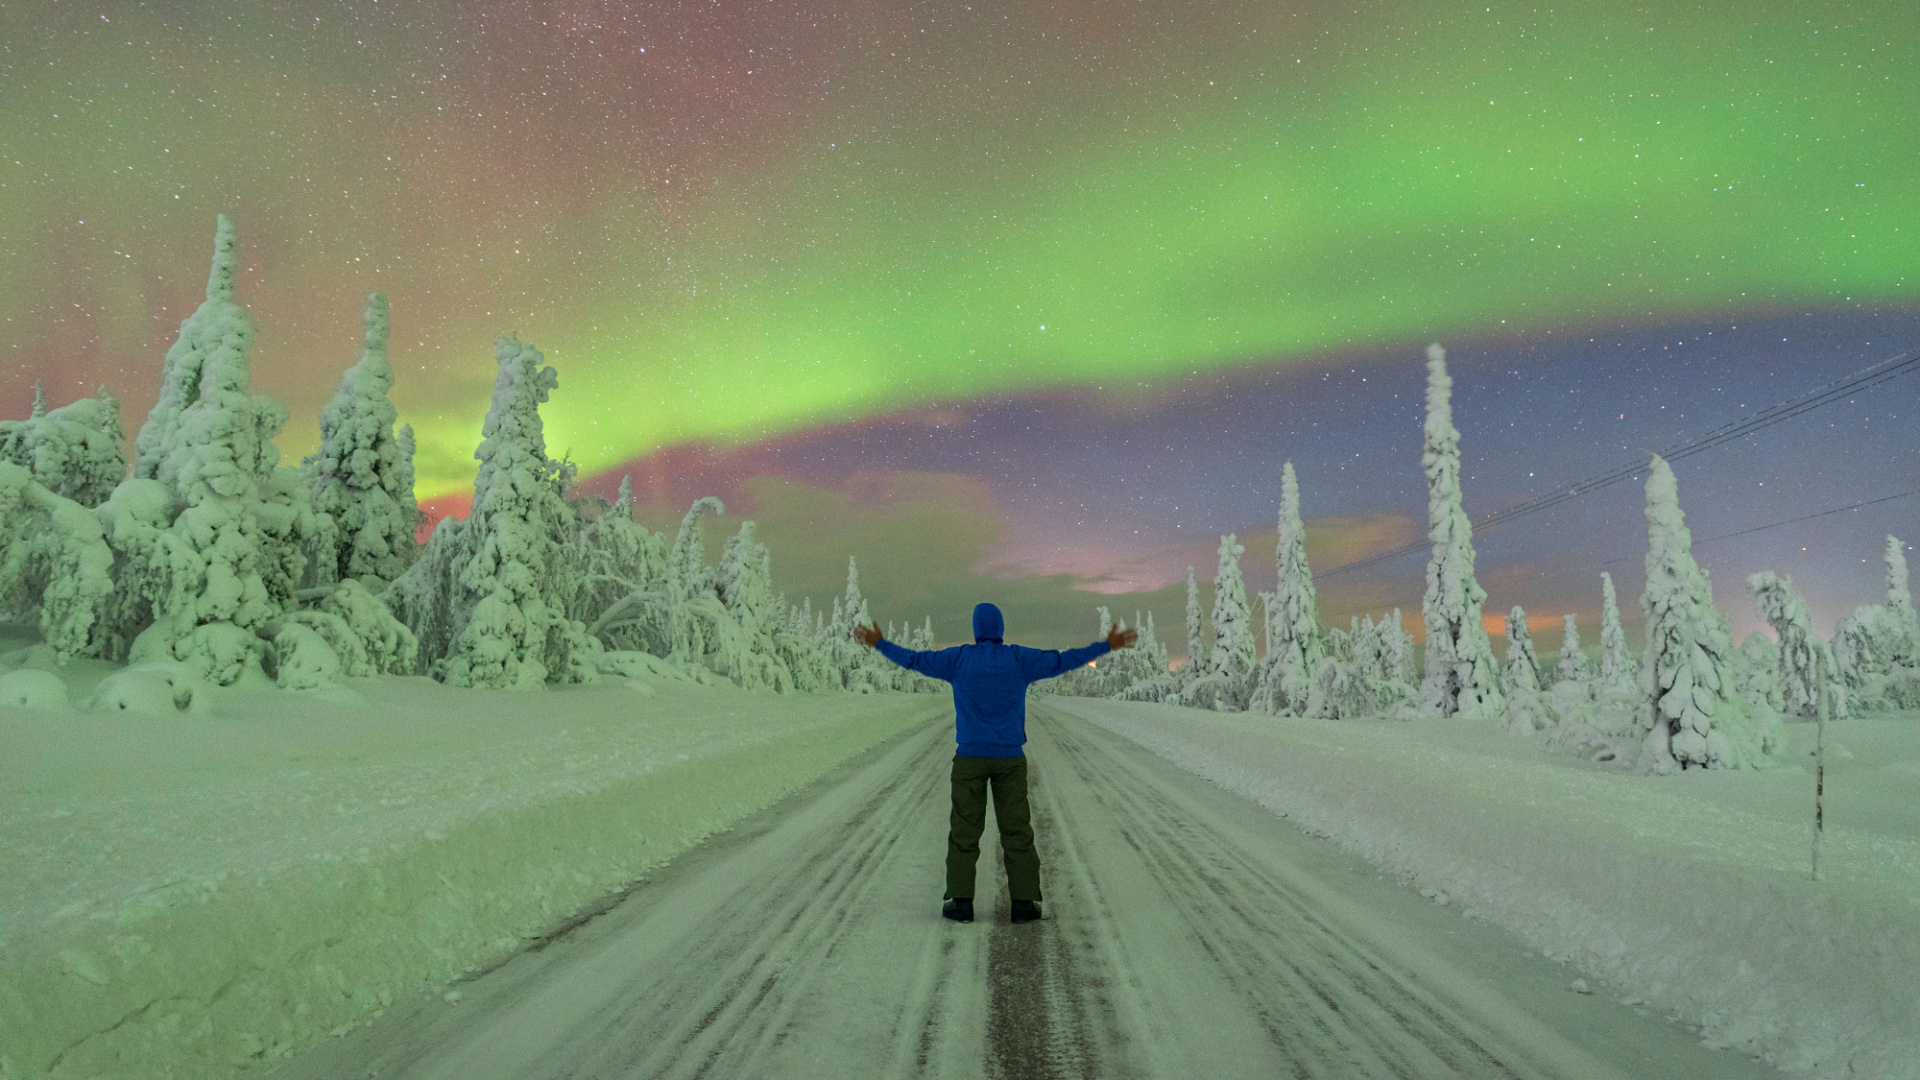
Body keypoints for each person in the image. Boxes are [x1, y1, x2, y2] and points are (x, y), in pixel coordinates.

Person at [854, 603, 1137, 924]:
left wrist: (879, 643)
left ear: (976, 628)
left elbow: (915, 660)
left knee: (964, 831)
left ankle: (961, 902)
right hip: (1009, 760)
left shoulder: (958, 659)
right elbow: (1062, 660)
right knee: (1017, 831)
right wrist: (1105, 646)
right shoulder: (1018, 659)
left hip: (969, 759)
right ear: (1000, 628)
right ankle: (1023, 903)